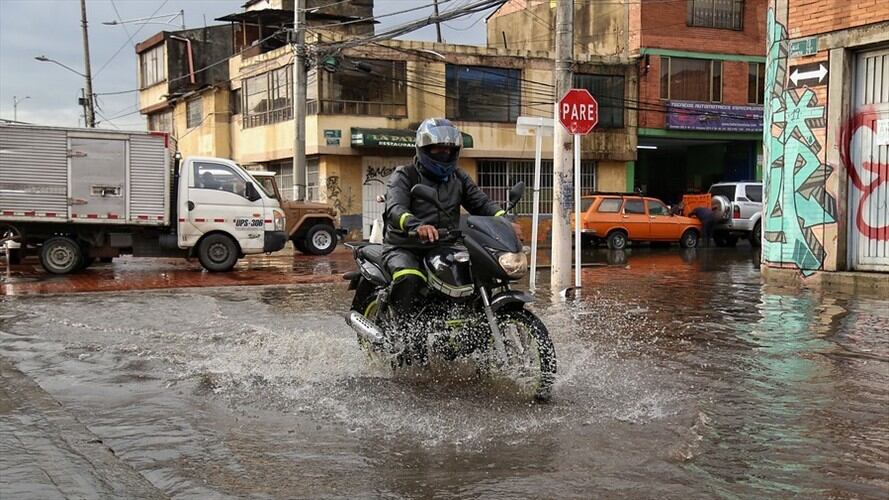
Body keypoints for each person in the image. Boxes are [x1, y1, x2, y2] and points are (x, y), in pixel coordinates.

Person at [382, 117, 517, 319]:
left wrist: (504, 221)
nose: (444, 154)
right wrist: (416, 225)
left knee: (476, 273)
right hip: (405, 245)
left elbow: (481, 203)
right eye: (437, 149)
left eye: (448, 150)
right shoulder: (405, 175)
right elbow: (395, 208)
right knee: (409, 277)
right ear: (424, 149)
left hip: (445, 244)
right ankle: (400, 332)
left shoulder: (458, 177)